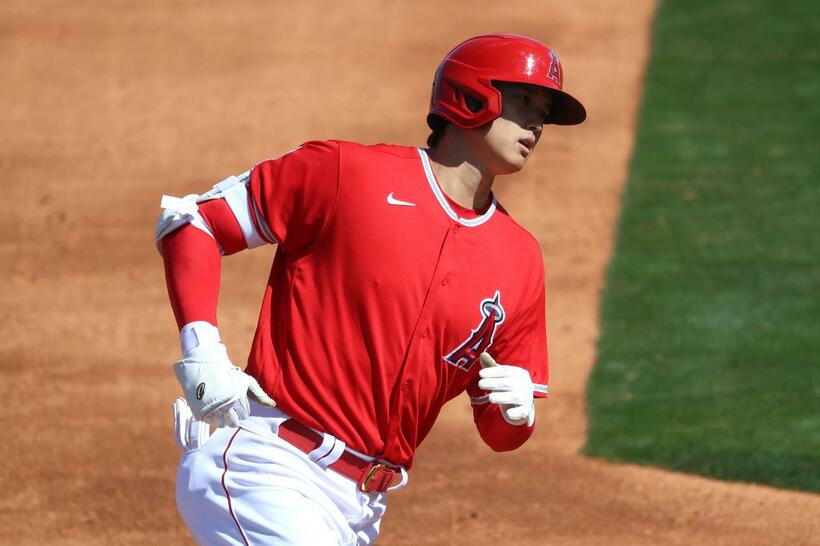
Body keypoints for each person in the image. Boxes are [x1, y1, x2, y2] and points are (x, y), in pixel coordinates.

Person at [155, 33, 586, 545]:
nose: (536, 122)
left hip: (361, 509)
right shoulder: (347, 175)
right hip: (267, 468)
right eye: (524, 101)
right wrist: (202, 351)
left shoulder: (519, 259)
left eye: (544, 110)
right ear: (471, 97)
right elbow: (193, 223)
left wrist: (517, 413)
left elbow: (499, 434)